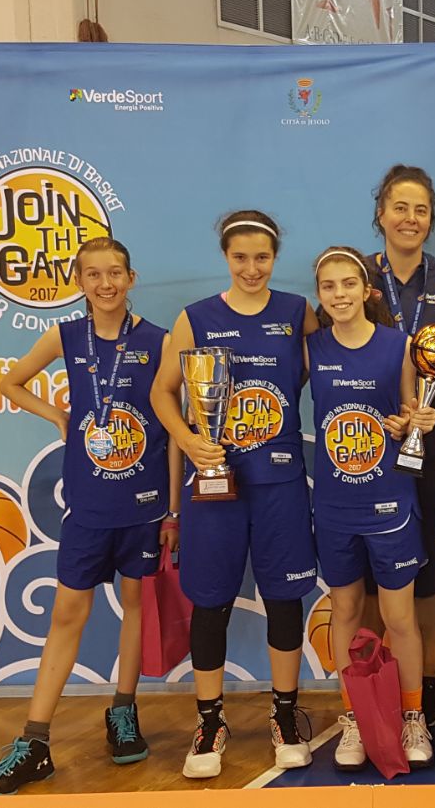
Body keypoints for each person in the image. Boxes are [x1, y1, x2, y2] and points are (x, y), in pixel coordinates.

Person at [0, 237, 179, 795]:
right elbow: (9, 382)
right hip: (89, 503)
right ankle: (35, 741)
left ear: (132, 278)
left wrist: (173, 510)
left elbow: (174, 428)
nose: (106, 283)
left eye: (115, 273)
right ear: (79, 282)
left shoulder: (159, 342)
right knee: (68, 613)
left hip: (144, 505)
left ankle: (123, 711)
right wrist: (58, 417)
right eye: (94, 274)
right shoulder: (66, 336)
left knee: (136, 606)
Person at [150, 211, 319, 778]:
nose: (251, 268)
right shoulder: (196, 318)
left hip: (280, 483)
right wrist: (189, 441)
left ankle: (286, 715)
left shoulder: (296, 312)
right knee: (211, 600)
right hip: (216, 486)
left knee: (284, 599)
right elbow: (162, 392)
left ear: (275, 258)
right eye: (240, 257)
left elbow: (332, 365)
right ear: (226, 257)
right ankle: (210, 721)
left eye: (262, 257)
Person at [306, 245, 435, 771]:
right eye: (328, 286)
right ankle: (355, 718)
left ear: (366, 291)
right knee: (344, 612)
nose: (339, 294)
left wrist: (411, 424)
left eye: (347, 284)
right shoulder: (312, 347)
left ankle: (412, 717)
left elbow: (410, 413)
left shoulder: (398, 345)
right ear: (320, 294)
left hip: (389, 503)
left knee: (398, 616)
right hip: (335, 504)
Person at [364, 164, 435, 726]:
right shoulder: (357, 276)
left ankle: (424, 687)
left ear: (432, 219)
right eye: (399, 207)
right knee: (370, 581)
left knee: (428, 577)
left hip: (431, 453)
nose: (410, 219)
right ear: (380, 213)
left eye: (421, 210)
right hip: (365, 452)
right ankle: (373, 686)